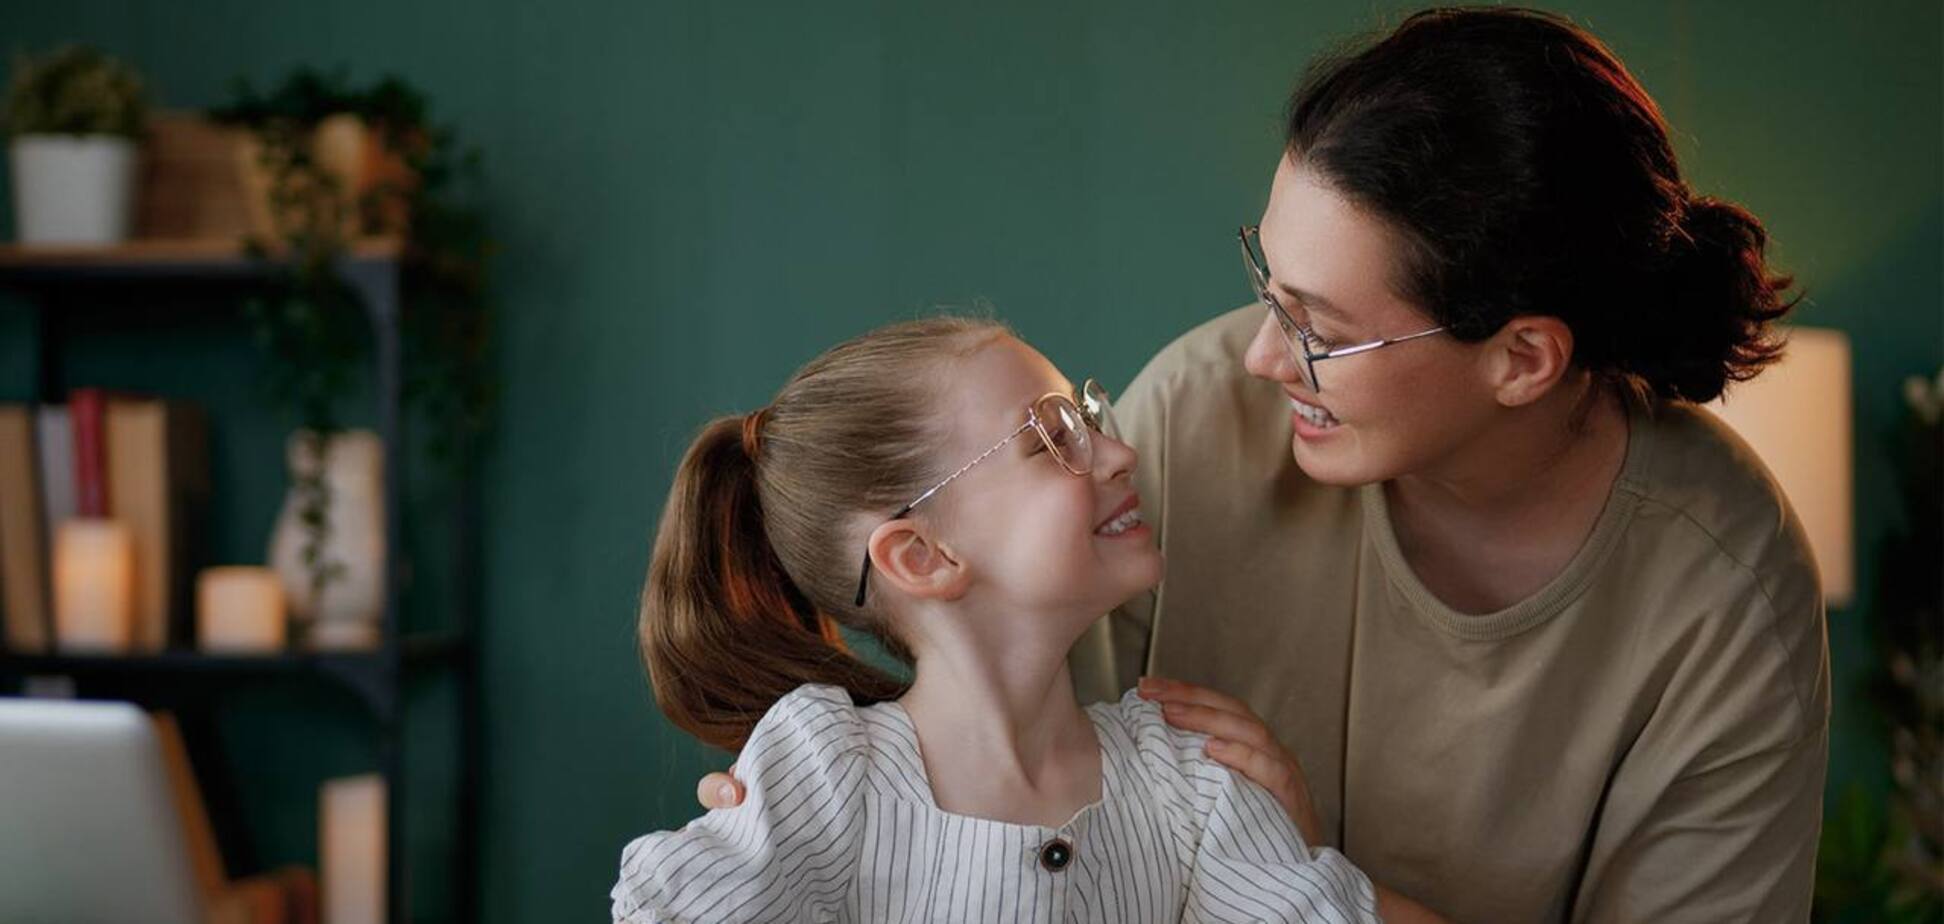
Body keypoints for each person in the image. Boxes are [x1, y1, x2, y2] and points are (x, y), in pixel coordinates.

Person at [701, 8, 1830, 923]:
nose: (1254, 354)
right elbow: (990, 685)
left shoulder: (1721, 597)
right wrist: (838, 798)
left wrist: (1307, 867)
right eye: (1265, 285)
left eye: (1318, 329)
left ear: (1523, 359)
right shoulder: (1202, 416)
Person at [613, 317, 1389, 923]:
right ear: (922, 556)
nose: (1120, 453)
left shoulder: (1195, 780)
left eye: (1089, 417)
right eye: (1055, 436)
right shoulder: (823, 771)